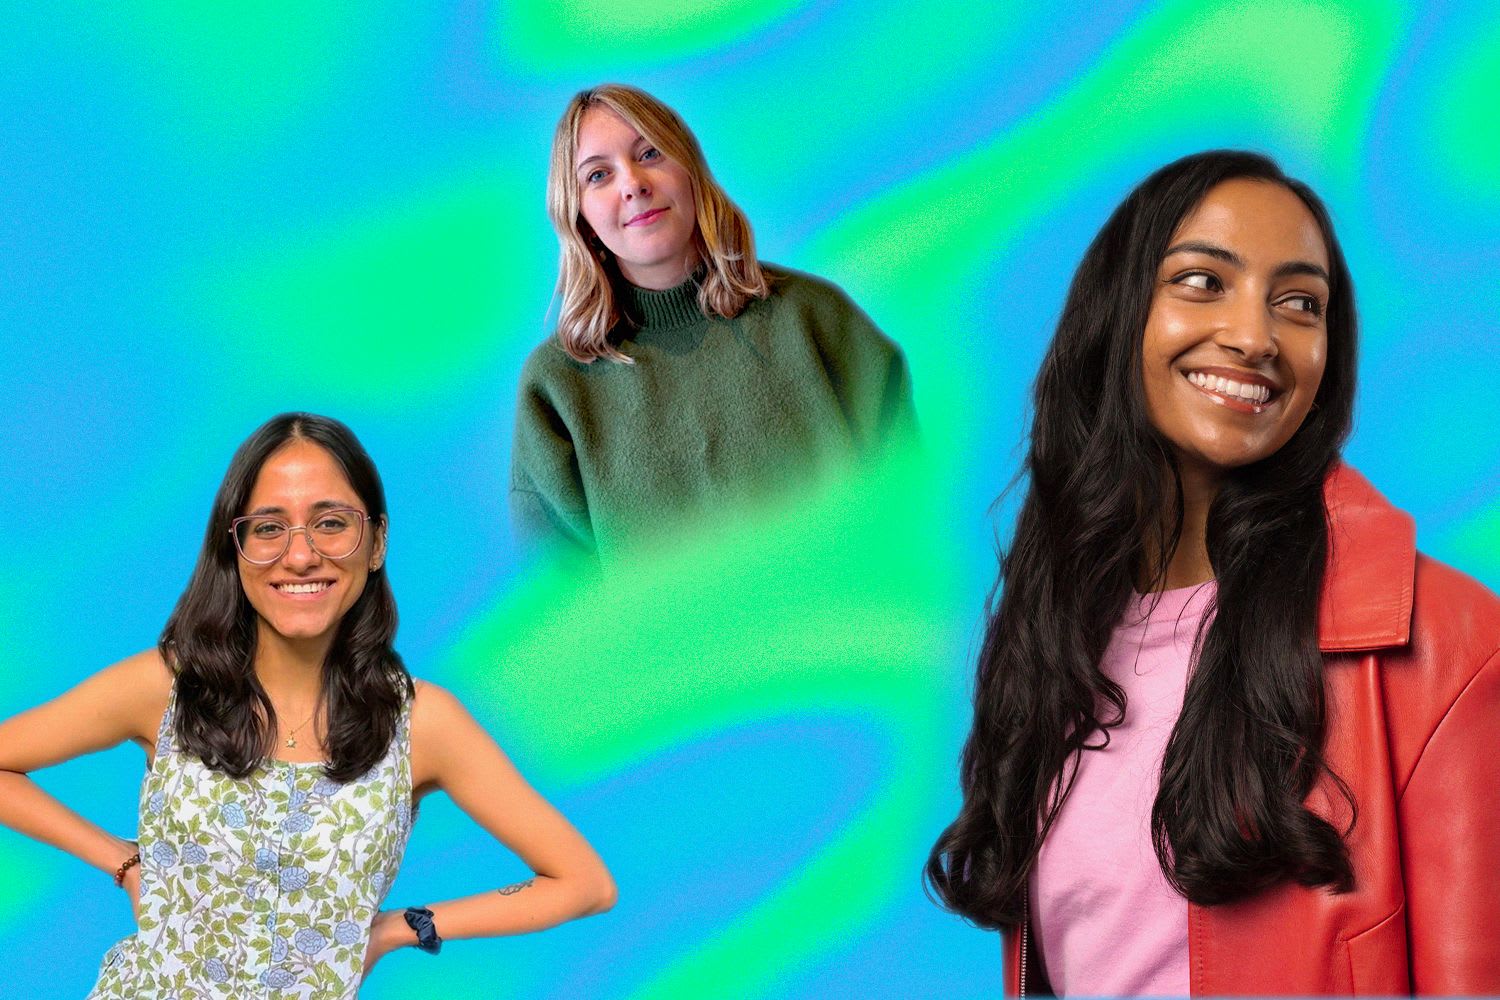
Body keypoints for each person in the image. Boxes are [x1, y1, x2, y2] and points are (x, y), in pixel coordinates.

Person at [925, 151, 1499, 995]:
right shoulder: (1052, 631)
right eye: (1203, 281)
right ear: (1120, 314)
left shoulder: (1448, 641)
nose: (1256, 336)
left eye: (1300, 303)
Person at [0, 413, 615, 997]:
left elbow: (582, 884)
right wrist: (125, 862)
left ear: (375, 541)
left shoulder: (422, 723)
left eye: (330, 522)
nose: (300, 555)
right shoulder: (167, 688)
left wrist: (402, 927)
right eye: (269, 527)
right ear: (233, 548)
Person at [511, 83, 917, 563]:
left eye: (651, 153)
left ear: (691, 171)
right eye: (598, 175)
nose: (633, 183)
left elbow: (912, 514)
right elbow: (564, 603)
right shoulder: (556, 387)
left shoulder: (816, 319)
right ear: (578, 216)